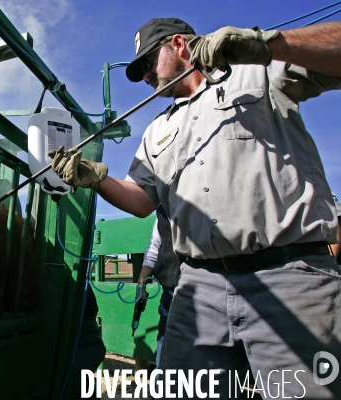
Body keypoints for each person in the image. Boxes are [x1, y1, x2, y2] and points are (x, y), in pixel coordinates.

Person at [50, 18, 341, 398]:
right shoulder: (157, 131)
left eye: (150, 62)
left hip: (289, 277)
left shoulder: (257, 71)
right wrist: (94, 178)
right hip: (200, 287)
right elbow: (141, 200)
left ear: (179, 45)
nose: (146, 77)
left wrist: (268, 43)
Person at [135, 205, 179, 368]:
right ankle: (162, 389)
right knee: (165, 342)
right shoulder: (164, 209)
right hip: (170, 291)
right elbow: (154, 248)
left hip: (200, 291)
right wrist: (141, 284)